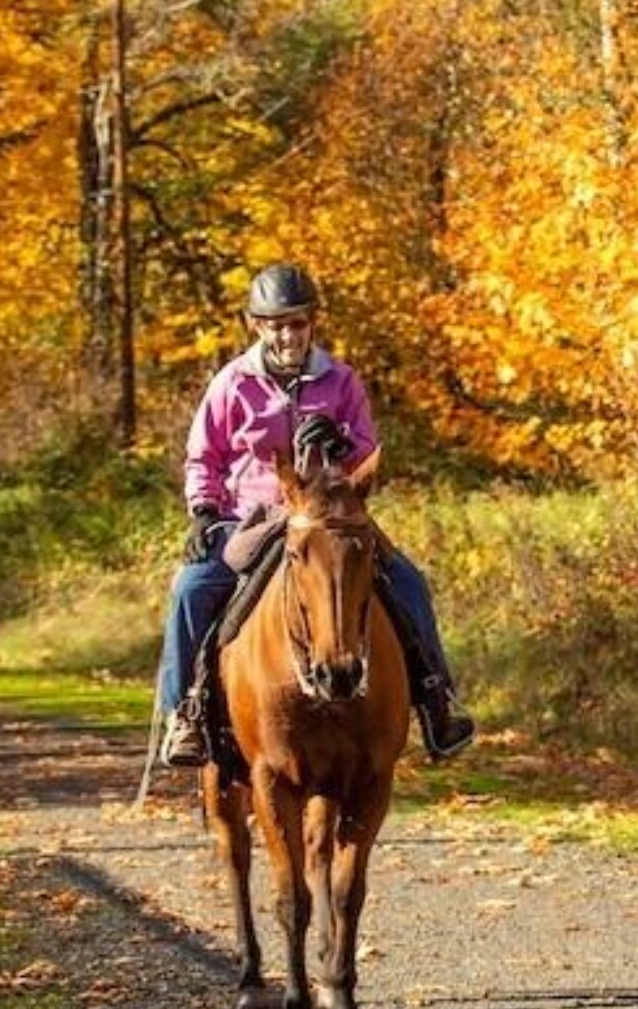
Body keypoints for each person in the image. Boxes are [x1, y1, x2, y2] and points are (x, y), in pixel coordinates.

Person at [155, 263, 475, 767]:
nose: (288, 334)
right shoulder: (232, 383)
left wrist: (342, 444)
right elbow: (205, 456)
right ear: (256, 326)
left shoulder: (342, 381)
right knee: (190, 589)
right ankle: (185, 712)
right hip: (251, 517)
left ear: (312, 324)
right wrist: (203, 511)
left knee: (408, 581)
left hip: (329, 516)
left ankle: (438, 698)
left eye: (298, 323)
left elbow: (367, 449)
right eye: (277, 324)